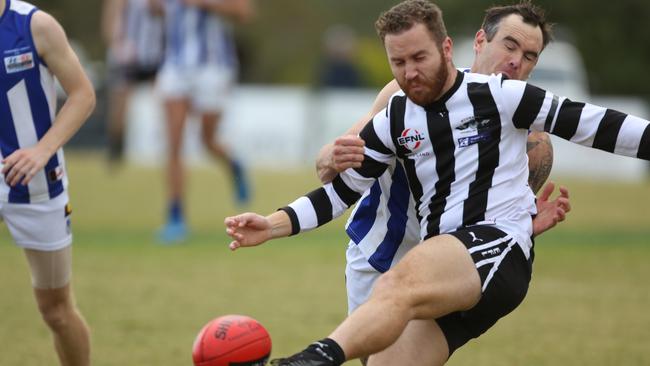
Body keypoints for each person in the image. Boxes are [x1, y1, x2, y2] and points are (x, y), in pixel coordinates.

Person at [225, 1, 650, 365]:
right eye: (399, 63)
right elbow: (340, 191)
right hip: (443, 267)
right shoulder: (394, 116)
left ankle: (309, 359)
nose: (409, 73)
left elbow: (600, 125)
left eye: (419, 59)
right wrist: (273, 223)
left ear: (447, 48)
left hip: (490, 248)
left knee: (396, 285)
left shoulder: (503, 96)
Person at [315, 2, 569, 364]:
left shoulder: (532, 141)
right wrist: (327, 157)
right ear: (481, 41)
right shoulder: (411, 88)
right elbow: (340, 156)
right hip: (381, 251)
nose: (517, 61)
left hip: (448, 262)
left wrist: (524, 227)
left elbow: (494, 225)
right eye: (509, 46)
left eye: (530, 55)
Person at [0, 0, 95, 365]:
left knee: (55, 310)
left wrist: (41, 150)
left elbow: (83, 94)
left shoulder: (35, 25)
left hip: (37, 184)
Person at [156, 0, 253, 243]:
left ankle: (233, 165)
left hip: (213, 66)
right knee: (174, 143)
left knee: (206, 141)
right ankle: (176, 216)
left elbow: (244, 11)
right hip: (175, 65)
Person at [101, 0, 165, 163]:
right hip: (127, 55)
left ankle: (164, 145)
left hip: (153, 55)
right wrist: (116, 46)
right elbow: (110, 20)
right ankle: (116, 150)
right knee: (120, 106)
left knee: (164, 102)